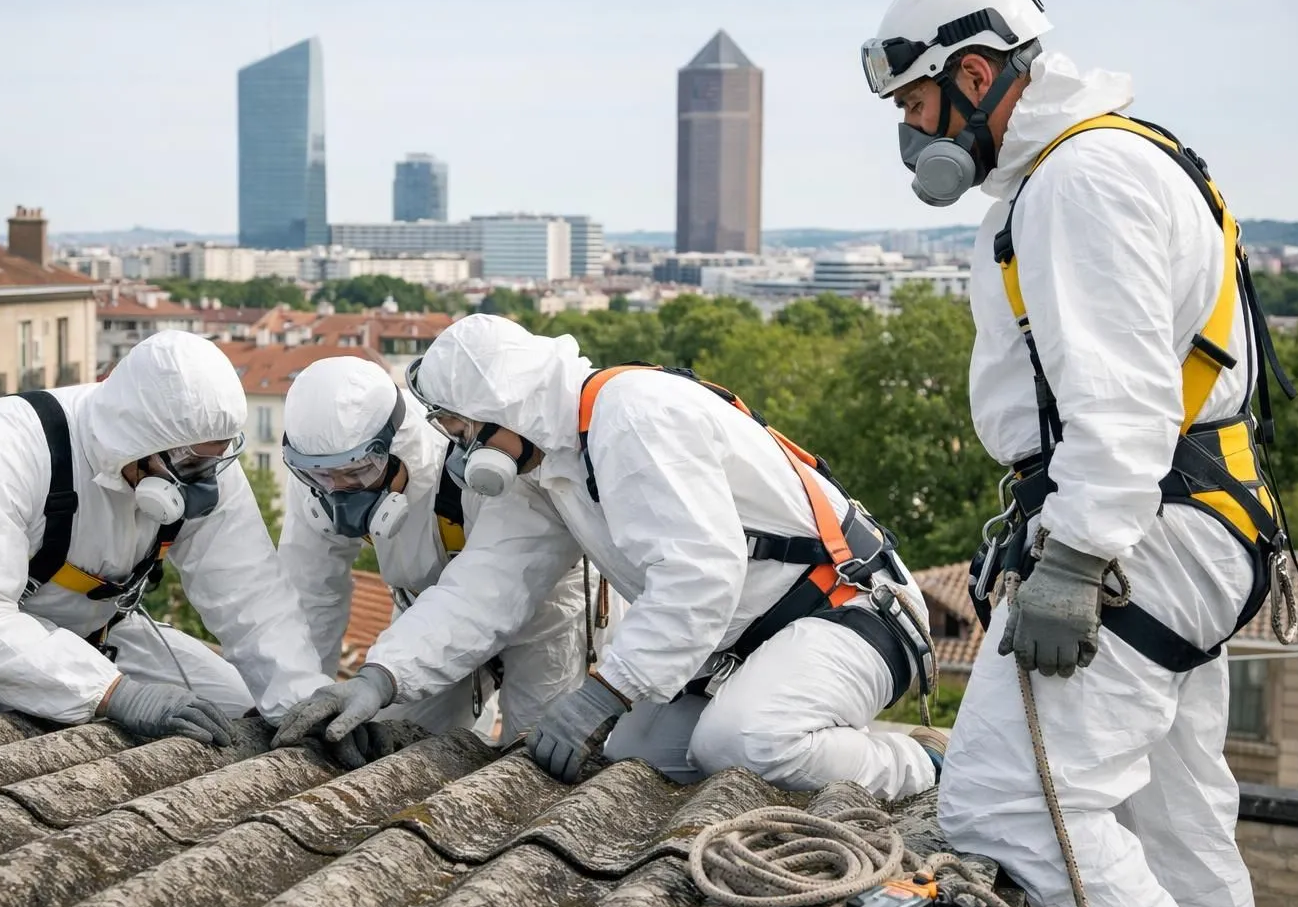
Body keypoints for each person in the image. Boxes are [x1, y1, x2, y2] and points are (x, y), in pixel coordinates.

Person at [861, 0, 1294, 907]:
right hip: (1198, 524)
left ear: (975, 77)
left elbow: (1122, 397)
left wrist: (1076, 555)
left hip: (1148, 531)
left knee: (1011, 804)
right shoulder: (1108, 159)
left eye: (916, 101)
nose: (911, 131)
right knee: (1175, 831)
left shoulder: (1079, 179)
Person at [275, 313, 942, 798]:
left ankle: (925, 767)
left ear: (501, 411)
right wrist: (380, 678)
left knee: (741, 745)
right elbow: (484, 588)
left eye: (461, 431)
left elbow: (700, 580)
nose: (461, 451)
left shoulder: (634, 415)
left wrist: (602, 693)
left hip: (847, 612)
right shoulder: (551, 465)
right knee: (632, 764)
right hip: (741, 649)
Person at [0, 330, 333, 746]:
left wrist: (305, 703)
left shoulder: (194, 454)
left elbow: (251, 595)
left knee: (239, 711)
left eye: (214, 461)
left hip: (97, 634)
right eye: (191, 465)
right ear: (135, 442)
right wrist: (113, 695)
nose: (204, 482)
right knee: (91, 732)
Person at [269, 356, 593, 765]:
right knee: (396, 748)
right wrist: (298, 701)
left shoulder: (470, 463)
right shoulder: (320, 475)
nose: (340, 492)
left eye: (358, 473)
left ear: (393, 444)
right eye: (321, 476)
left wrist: (383, 675)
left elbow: (484, 594)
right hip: (422, 611)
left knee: (532, 756)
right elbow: (309, 594)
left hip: (542, 611)